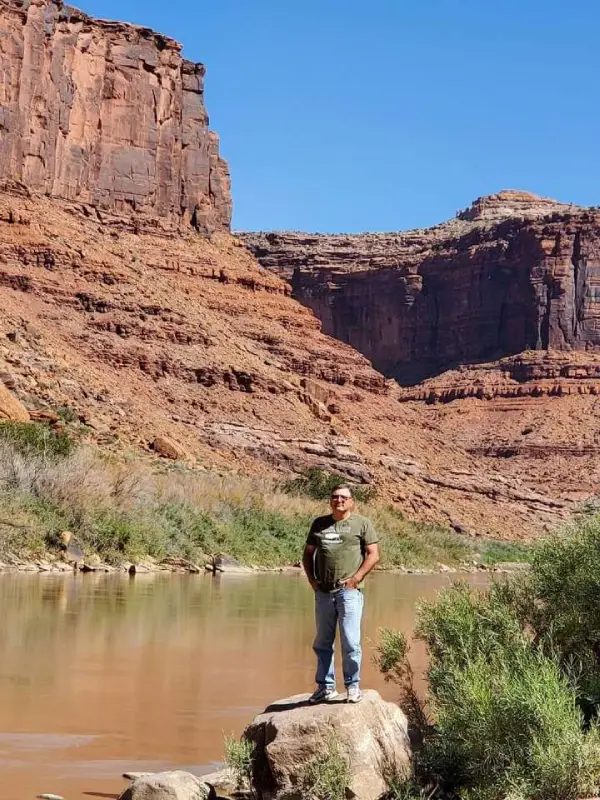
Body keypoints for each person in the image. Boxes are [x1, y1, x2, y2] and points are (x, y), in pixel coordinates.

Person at [302, 483, 380, 704]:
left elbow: (373, 555)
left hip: (349, 592)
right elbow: (308, 554)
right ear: (330, 500)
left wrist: (356, 578)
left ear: (351, 501)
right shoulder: (319, 524)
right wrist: (312, 580)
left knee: (350, 640)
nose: (339, 500)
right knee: (323, 641)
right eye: (335, 497)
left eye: (344, 497)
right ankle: (325, 687)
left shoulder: (362, 524)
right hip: (323, 592)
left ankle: (352, 686)